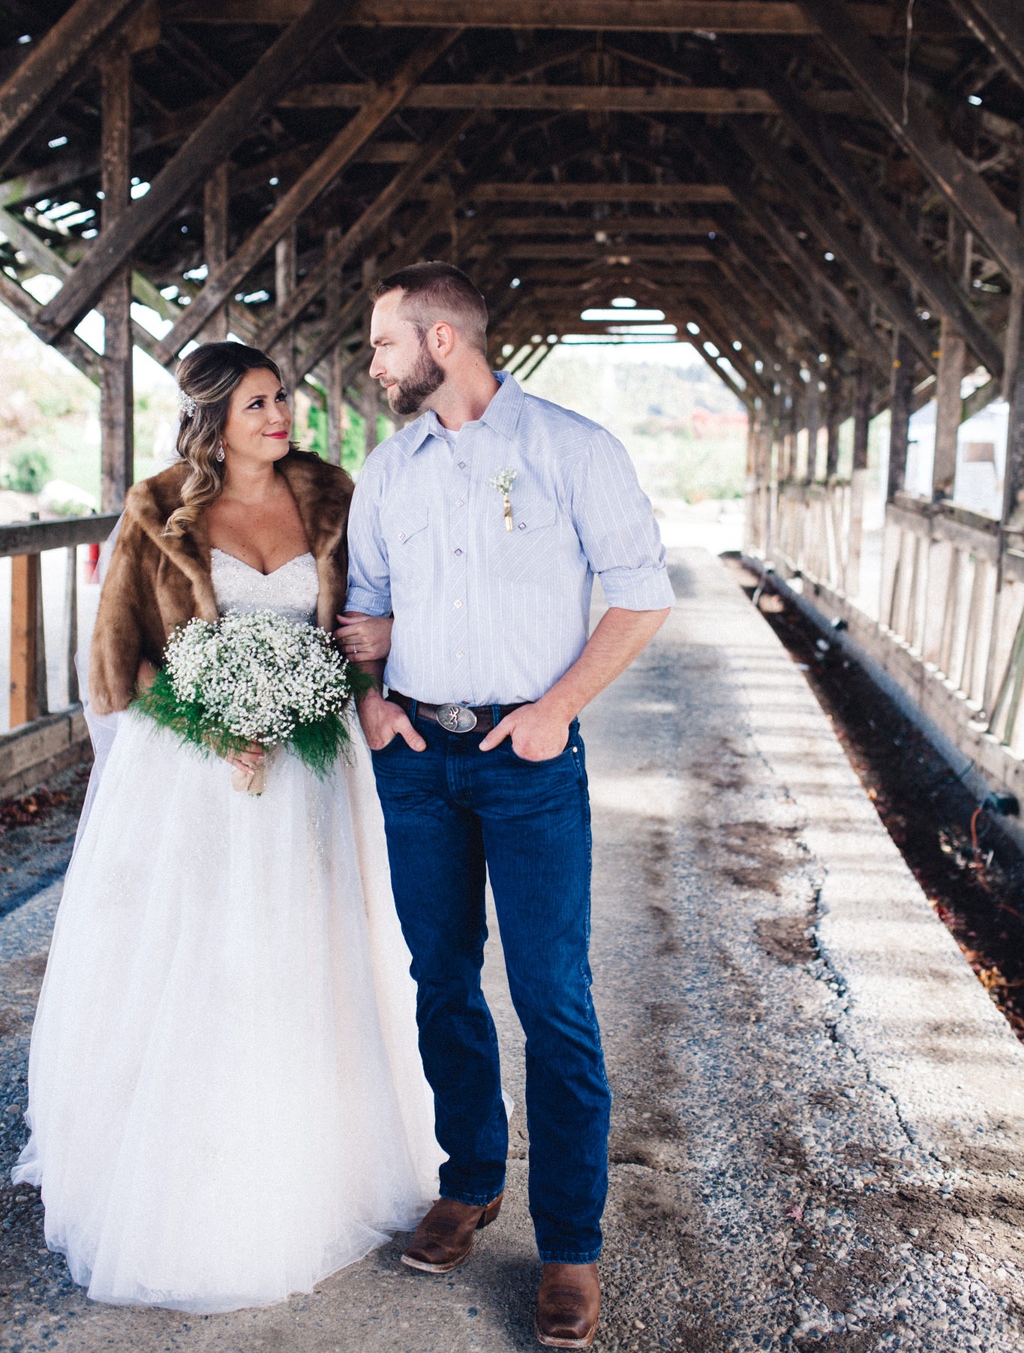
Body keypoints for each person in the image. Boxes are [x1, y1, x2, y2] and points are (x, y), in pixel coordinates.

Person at [14, 341, 441, 1312]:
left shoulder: (332, 492)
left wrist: (354, 670)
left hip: (316, 763)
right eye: (257, 402)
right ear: (212, 418)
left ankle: (320, 1151)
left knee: (315, 950)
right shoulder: (157, 504)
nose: (279, 413)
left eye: (281, 396)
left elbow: (375, 604)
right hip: (198, 773)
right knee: (207, 956)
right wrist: (211, 725)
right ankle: (196, 1163)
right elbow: (119, 656)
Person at [342, 261, 674, 1350]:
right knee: (441, 978)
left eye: (384, 342)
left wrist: (555, 709)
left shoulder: (573, 450)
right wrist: (376, 703)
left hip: (529, 761)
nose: (373, 361)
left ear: (442, 340)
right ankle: (470, 1179)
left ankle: (568, 1242)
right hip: (418, 760)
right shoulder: (387, 468)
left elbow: (640, 592)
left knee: (552, 998)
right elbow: (364, 606)